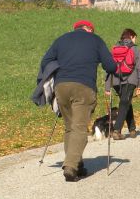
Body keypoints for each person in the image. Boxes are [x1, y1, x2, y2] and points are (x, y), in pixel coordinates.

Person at [39, 20, 117, 182]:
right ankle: (70, 167)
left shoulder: (62, 39)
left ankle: (78, 164)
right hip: (84, 86)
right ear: (89, 29)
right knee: (79, 128)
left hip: (61, 87)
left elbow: (45, 62)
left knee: (70, 128)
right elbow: (110, 66)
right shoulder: (95, 40)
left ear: (75, 29)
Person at [103, 28, 140, 139]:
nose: (135, 40)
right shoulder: (136, 49)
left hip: (116, 81)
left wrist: (107, 86)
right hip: (130, 80)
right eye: (135, 38)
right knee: (125, 102)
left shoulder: (114, 49)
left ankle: (132, 129)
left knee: (125, 102)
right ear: (132, 37)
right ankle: (116, 130)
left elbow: (109, 68)